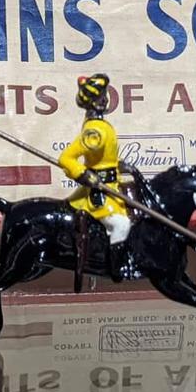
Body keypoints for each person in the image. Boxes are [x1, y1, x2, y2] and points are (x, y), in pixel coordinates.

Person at [58, 73, 131, 274]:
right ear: (90, 103)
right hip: (98, 192)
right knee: (121, 225)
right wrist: (83, 174)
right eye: (99, 97)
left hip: (113, 187)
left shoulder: (102, 126)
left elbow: (104, 157)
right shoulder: (93, 132)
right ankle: (115, 267)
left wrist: (119, 166)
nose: (104, 100)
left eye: (104, 96)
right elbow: (66, 158)